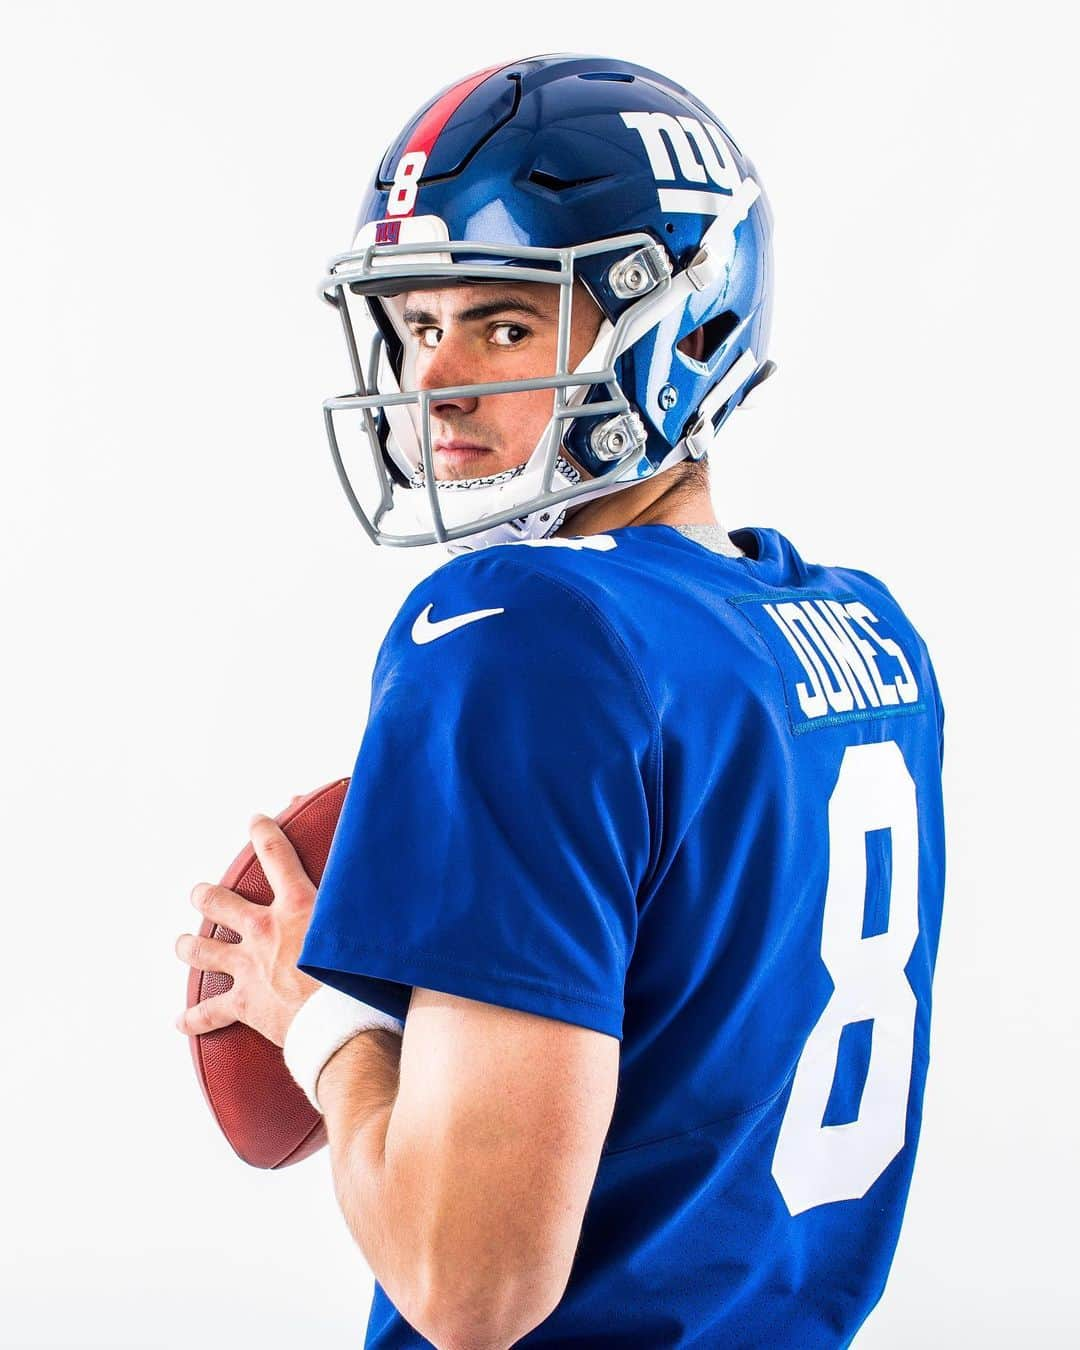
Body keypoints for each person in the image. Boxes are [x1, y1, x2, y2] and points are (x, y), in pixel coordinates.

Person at [178, 54, 946, 1349]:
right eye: (420, 326)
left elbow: (470, 1282)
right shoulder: (868, 635)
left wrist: (322, 1024)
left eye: (506, 321)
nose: (434, 381)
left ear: (682, 328)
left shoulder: (519, 627)